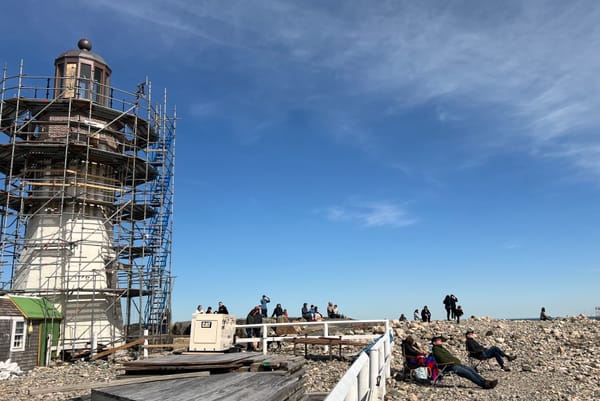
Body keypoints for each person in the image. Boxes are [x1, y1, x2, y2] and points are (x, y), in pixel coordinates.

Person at [431, 335, 498, 389]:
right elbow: (442, 360)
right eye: (438, 340)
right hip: (448, 366)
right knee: (468, 374)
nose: (440, 341)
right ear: (434, 343)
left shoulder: (441, 348)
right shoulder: (436, 350)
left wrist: (454, 360)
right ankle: (484, 384)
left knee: (471, 370)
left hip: (453, 364)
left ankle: (486, 382)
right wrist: (454, 360)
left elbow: (449, 357)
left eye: (440, 340)